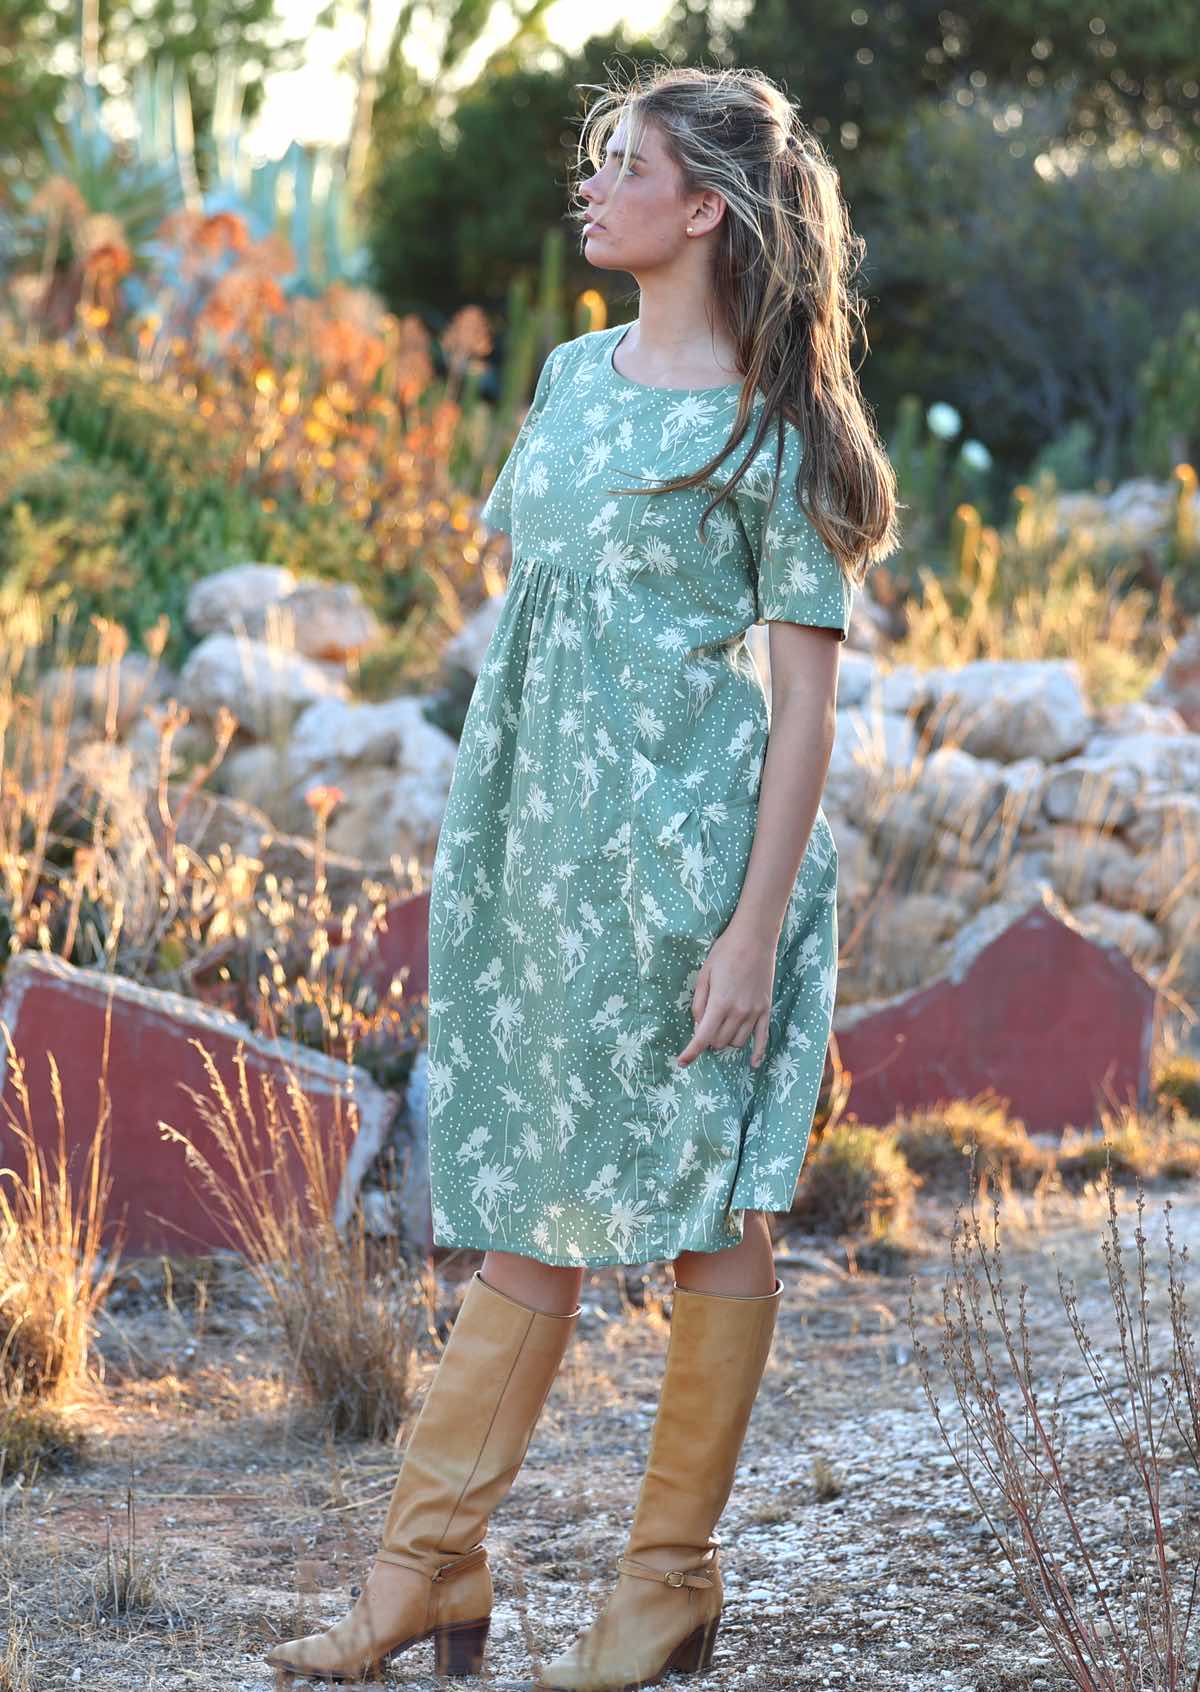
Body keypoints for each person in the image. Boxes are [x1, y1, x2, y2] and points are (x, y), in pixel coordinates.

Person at [266, 60, 898, 1691]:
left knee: (711, 1208)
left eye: (626, 166)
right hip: (539, 863)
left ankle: (663, 1585)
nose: (593, 186)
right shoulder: (565, 374)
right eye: (595, 159)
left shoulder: (778, 426)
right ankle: (425, 1572)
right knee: (532, 1209)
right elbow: (539, 628)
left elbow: (805, 705)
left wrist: (755, 931)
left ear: (704, 210)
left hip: (696, 870)